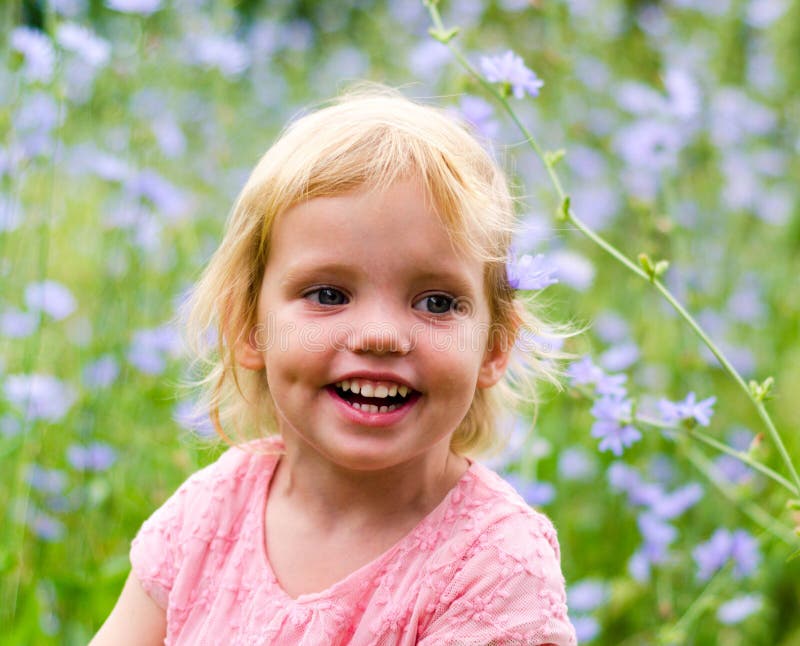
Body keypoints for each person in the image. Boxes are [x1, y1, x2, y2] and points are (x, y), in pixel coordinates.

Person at [91, 86, 577, 645]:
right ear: (249, 327)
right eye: (327, 294)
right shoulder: (209, 514)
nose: (380, 335)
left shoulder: (493, 570)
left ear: (494, 346)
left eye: (436, 302)